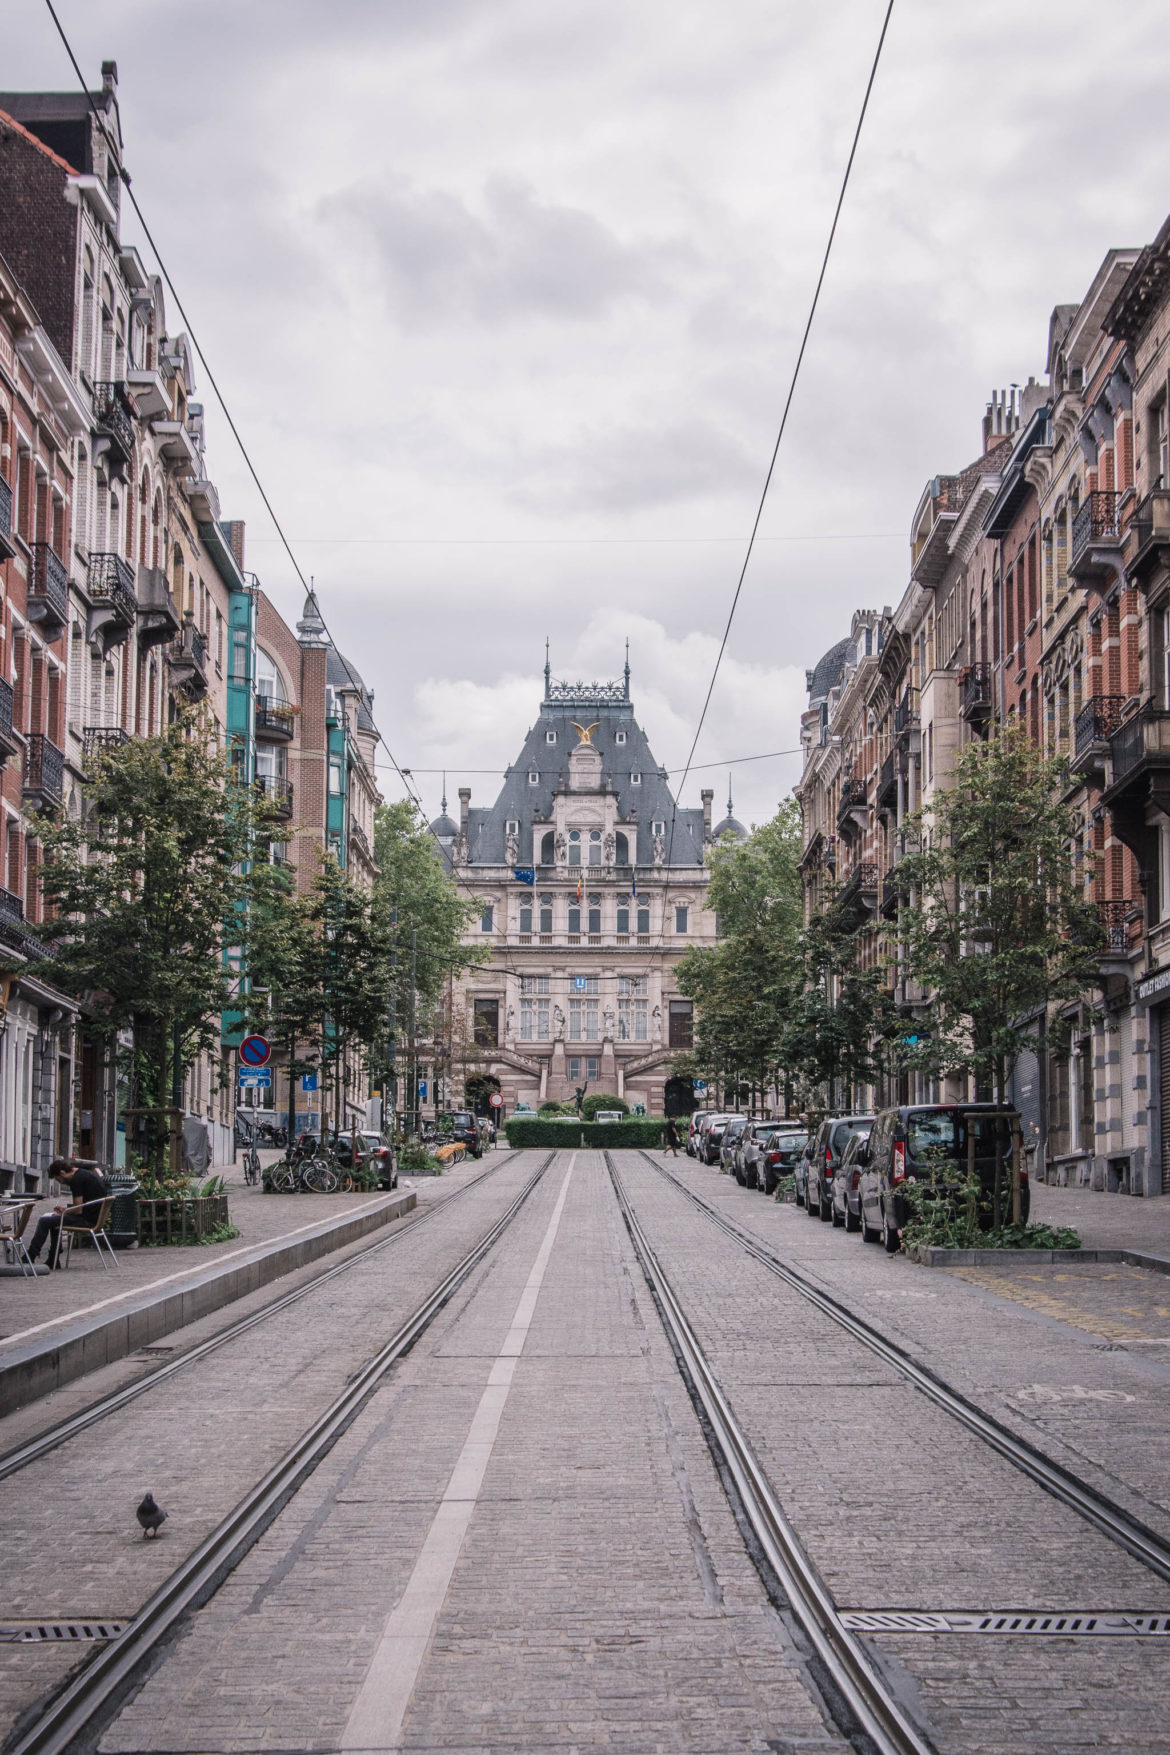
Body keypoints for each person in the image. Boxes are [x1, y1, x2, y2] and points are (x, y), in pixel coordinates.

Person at [26, 1158, 109, 1269]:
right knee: (54, 1221)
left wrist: (64, 1212)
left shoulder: (76, 1180)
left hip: (87, 1220)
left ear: (62, 1173)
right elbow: (81, 1206)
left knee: (45, 1220)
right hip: (95, 1217)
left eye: (58, 1179)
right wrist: (65, 1211)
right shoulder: (85, 1174)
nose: (61, 1182)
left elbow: (78, 1210)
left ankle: (30, 1256)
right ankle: (53, 1259)